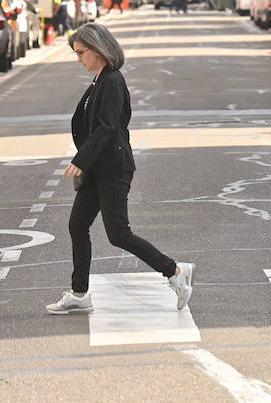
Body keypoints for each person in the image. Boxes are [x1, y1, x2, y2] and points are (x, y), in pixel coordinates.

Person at [46, 23, 193, 315]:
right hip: (97, 170)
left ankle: (174, 272)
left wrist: (80, 160)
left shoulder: (112, 80)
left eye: (81, 53)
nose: (79, 59)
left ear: (98, 50)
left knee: (119, 234)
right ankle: (79, 294)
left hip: (113, 168)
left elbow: (108, 127)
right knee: (77, 225)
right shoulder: (98, 80)